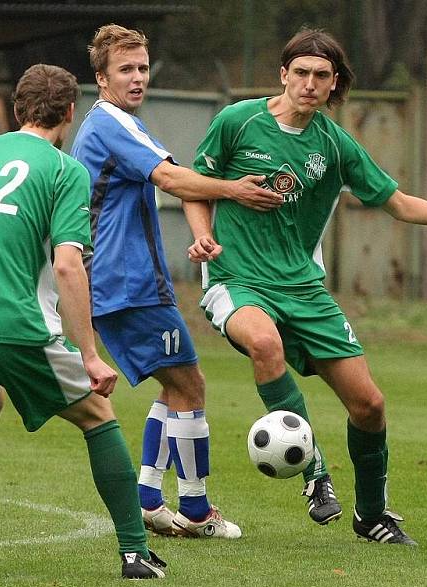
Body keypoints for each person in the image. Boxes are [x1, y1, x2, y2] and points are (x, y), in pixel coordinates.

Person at [185, 28, 427, 544]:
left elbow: (395, 201)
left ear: (335, 85)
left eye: (322, 76)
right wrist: (202, 238)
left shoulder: (334, 145)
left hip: (305, 291)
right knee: (263, 342)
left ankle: (372, 515)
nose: (310, 84)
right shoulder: (236, 121)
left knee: (370, 405)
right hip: (236, 279)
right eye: (302, 73)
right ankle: (315, 475)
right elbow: (193, 185)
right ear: (283, 75)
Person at [0, 64, 166, 579]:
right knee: (98, 415)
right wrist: (90, 355)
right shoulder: (65, 171)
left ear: (17, 108)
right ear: (69, 112)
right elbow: (68, 264)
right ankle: (135, 551)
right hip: (13, 326)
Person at [70, 24, 282, 540]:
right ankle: (195, 509)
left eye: (142, 68)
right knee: (191, 384)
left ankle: (148, 499)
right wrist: (234, 189)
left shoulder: (120, 125)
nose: (137, 78)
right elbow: (171, 178)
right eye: (126, 69)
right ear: (101, 78)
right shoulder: (110, 126)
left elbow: (172, 176)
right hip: (128, 283)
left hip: (120, 282)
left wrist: (201, 234)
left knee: (174, 384)